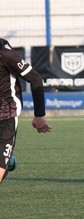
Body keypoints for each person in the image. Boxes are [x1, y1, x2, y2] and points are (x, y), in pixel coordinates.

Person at [0, 38, 51, 184]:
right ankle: (7, 158)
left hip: (6, 113)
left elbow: (35, 79)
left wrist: (39, 115)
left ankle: (5, 158)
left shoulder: (5, 54)